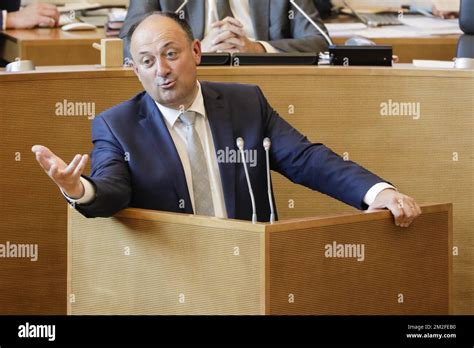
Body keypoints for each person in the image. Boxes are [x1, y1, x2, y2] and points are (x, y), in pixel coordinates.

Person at [32, 12, 421, 227]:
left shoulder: (245, 103)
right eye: (148, 62)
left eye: (171, 54)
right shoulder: (117, 125)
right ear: (136, 71)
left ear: (197, 52)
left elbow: (306, 159)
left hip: (253, 262)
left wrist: (378, 193)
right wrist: (79, 189)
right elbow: (112, 191)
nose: (162, 70)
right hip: (173, 272)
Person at [119, 0, 330, 58]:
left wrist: (258, 50)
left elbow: (320, 41)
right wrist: (195, 49)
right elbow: (128, 45)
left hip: (268, 89)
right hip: (188, 87)